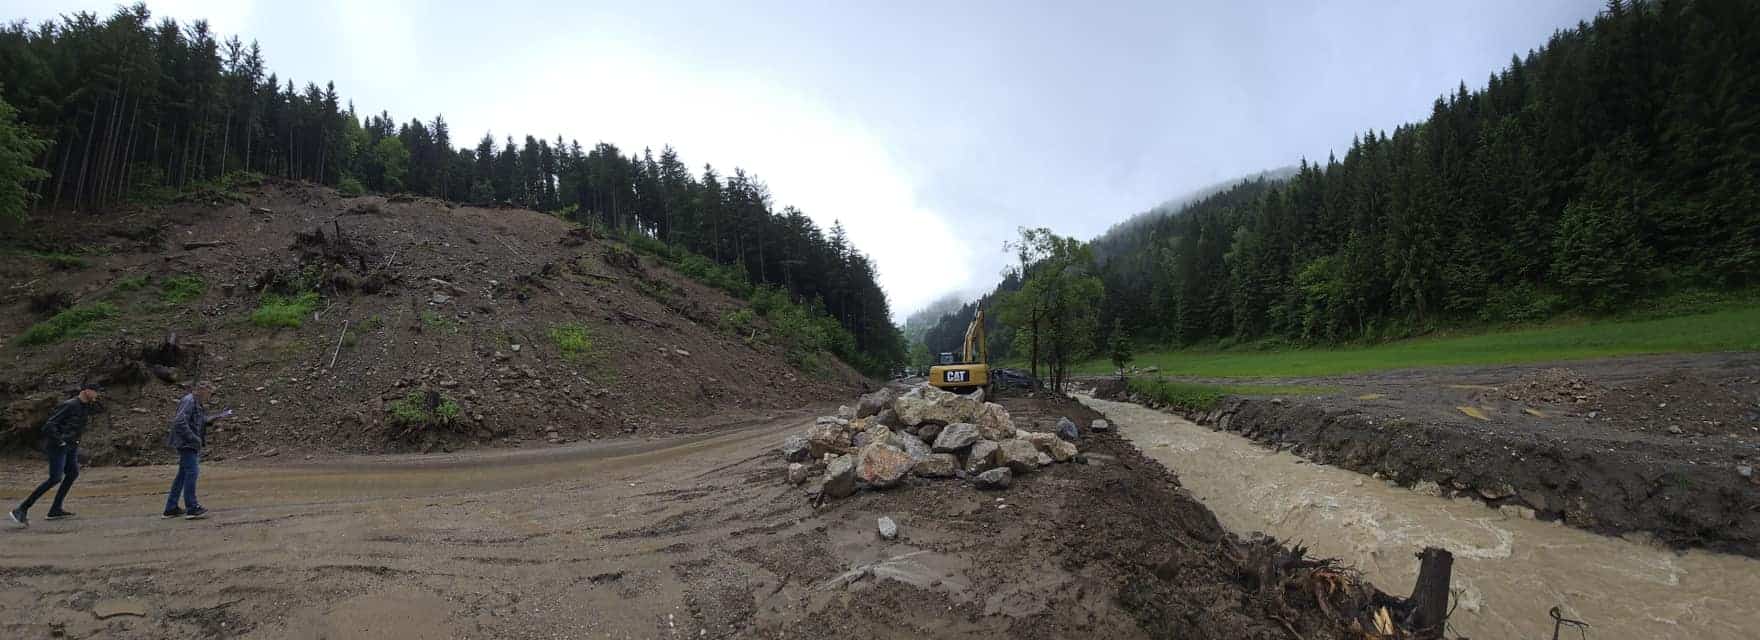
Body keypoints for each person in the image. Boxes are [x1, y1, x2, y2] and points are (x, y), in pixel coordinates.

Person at [9, 383, 103, 528]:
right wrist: (60, 442)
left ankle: (55, 510)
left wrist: (72, 443)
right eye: (95, 391)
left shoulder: (86, 407)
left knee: (72, 473)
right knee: (55, 478)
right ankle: (21, 509)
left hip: (71, 446)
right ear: (86, 391)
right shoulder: (70, 405)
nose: (97, 394)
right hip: (58, 446)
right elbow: (49, 425)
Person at [164, 382, 232, 520]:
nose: (210, 396)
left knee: (182, 475)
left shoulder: (195, 403)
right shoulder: (189, 401)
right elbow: (179, 422)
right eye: (209, 393)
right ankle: (192, 507)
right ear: (202, 390)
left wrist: (218, 416)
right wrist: (194, 438)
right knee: (192, 472)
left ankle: (171, 508)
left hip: (187, 443)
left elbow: (201, 421)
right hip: (186, 443)